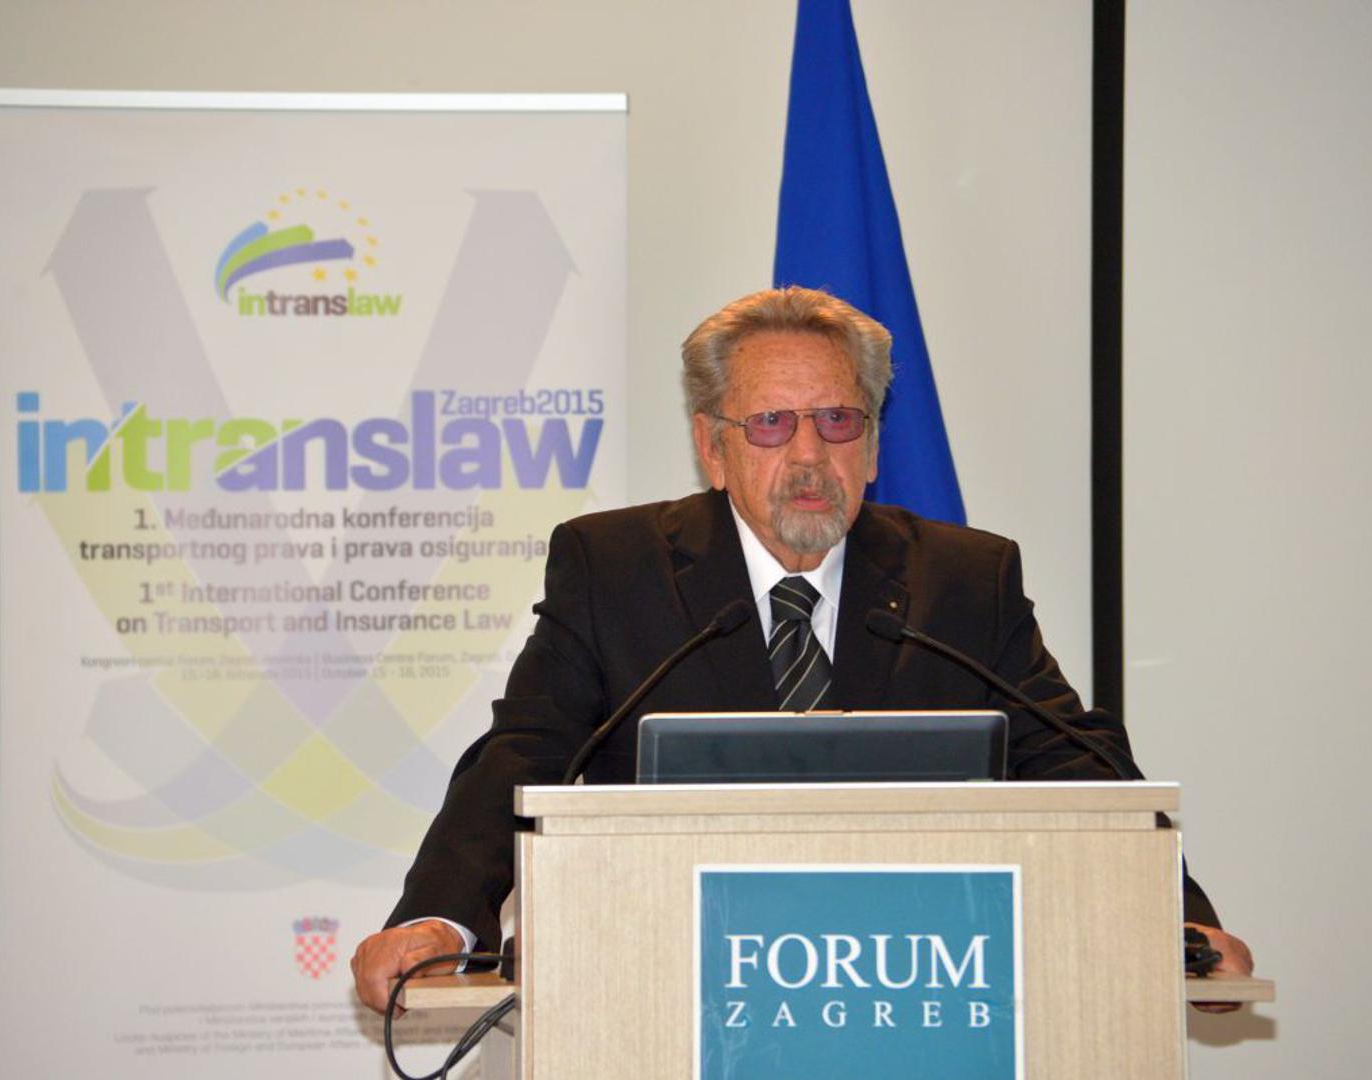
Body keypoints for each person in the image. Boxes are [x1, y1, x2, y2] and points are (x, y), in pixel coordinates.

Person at [351, 286, 1253, 1014]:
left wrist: (1175, 922)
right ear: (712, 446)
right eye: (772, 425)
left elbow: (1069, 757)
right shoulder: (615, 567)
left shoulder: (963, 579)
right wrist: (440, 919)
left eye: (837, 421)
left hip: (912, 983)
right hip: (666, 978)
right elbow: (526, 749)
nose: (810, 454)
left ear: (873, 444)